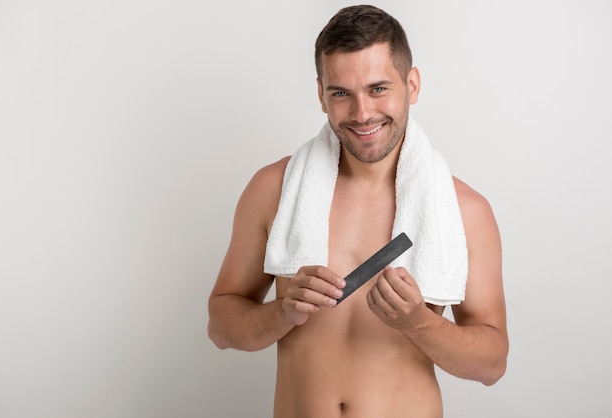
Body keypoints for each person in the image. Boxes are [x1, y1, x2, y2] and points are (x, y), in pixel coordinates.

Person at [208, 5, 508, 417]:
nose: (362, 113)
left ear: (412, 85)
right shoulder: (273, 190)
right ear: (321, 95)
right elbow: (220, 328)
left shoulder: (464, 211)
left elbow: (492, 365)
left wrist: (419, 322)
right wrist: (282, 312)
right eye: (341, 94)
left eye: (378, 88)